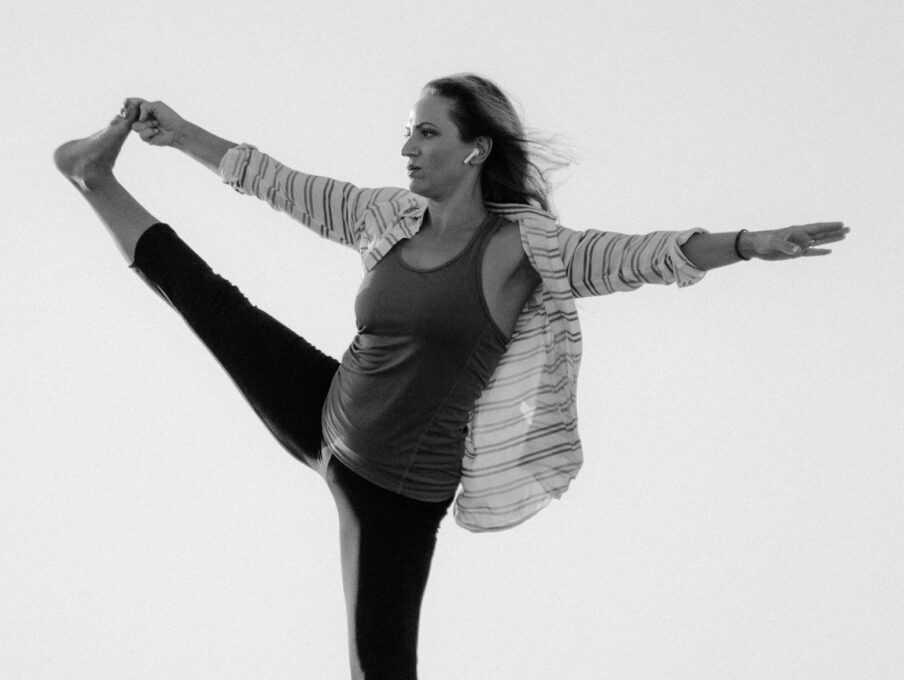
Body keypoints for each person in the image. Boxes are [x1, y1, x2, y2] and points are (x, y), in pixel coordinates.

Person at [53, 73, 848, 679]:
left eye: (426, 134)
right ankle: (94, 177)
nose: (407, 148)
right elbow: (276, 181)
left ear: (474, 150)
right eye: (407, 132)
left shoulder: (525, 251)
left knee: (381, 672)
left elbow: (641, 254)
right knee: (203, 297)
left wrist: (749, 242)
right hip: (325, 409)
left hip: (397, 495)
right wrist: (183, 133)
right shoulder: (385, 217)